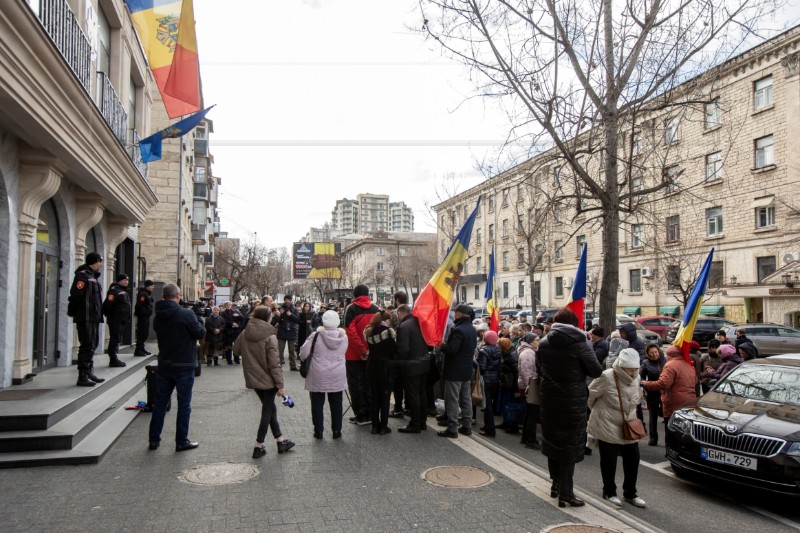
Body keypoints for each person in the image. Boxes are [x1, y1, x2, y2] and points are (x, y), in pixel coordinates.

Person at [537, 308, 603, 508]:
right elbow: (596, 370)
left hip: (549, 398)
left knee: (552, 441)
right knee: (569, 445)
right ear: (574, 323)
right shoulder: (580, 343)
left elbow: (540, 367)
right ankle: (566, 493)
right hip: (572, 400)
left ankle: (555, 485)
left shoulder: (544, 341)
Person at [148, 284, 206, 452]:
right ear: (178, 295)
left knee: (160, 404)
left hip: (165, 363)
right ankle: (181, 441)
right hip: (184, 364)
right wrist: (199, 320)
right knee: (184, 404)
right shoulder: (186, 314)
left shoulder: (158, 315)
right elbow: (200, 333)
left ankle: (153, 440)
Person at [587, 348, 647, 508]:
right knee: (609, 460)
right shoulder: (607, 376)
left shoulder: (637, 377)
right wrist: (599, 412)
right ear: (621, 366)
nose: (633, 373)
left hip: (629, 423)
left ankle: (630, 493)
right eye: (630, 369)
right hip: (607, 422)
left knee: (633, 458)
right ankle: (609, 491)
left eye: (636, 369)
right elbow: (591, 395)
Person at [234, 306, 295, 458]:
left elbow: (236, 351)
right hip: (268, 381)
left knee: (271, 409)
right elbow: (275, 364)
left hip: (253, 378)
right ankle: (258, 446)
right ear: (267, 318)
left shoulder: (245, 332)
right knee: (267, 412)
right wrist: (280, 385)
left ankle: (280, 441)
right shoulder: (270, 336)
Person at [299, 310, 348, 439]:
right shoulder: (344, 337)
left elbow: (303, 354)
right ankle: (337, 431)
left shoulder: (315, 336)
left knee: (317, 403)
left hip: (317, 374)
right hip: (337, 374)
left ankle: (318, 431)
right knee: (337, 403)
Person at [437, 304, 477, 438]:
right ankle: (467, 426)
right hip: (466, 370)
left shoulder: (458, 330)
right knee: (466, 399)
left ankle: (452, 428)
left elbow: (452, 349)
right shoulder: (472, 329)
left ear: (459, 314)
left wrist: (442, 346)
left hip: (455, 371)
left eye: (455, 313)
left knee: (452, 399)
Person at [68, 252, 106, 386]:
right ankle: (82, 376)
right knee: (87, 345)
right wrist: (72, 311)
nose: (101, 265)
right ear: (94, 262)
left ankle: (89, 372)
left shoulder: (92, 276)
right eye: (100, 262)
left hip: (93, 316)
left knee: (93, 344)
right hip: (86, 316)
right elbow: (75, 296)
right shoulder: (82, 276)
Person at [343, 284, 379, 425]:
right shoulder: (375, 309)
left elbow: (350, 332)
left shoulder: (351, 309)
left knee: (356, 385)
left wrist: (361, 350)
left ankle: (361, 414)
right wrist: (368, 350)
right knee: (369, 384)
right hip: (371, 354)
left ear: (355, 295)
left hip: (354, 355)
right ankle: (371, 413)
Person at [641, 346, 697, 435]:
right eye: (652, 352)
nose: (666, 357)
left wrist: (646, 384)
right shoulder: (688, 364)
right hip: (688, 401)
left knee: (672, 430)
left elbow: (663, 384)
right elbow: (695, 381)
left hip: (673, 401)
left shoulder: (670, 365)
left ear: (671, 355)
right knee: (683, 429)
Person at [395, 305, 430, 433]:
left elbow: (403, 350)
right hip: (424, 364)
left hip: (411, 366)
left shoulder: (403, 327)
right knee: (422, 393)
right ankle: (422, 422)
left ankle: (415, 424)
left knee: (414, 394)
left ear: (399, 314)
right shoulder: (419, 323)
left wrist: (400, 365)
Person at [364, 310, 396, 435]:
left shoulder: (369, 331)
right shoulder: (387, 332)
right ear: (386, 320)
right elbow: (393, 350)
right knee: (385, 397)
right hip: (385, 368)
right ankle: (383, 427)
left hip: (372, 366)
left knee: (374, 397)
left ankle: (374, 426)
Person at [517, 332, 541, 449]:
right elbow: (526, 372)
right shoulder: (528, 353)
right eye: (537, 339)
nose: (538, 341)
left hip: (529, 385)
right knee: (532, 414)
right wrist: (528, 387)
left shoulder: (529, 352)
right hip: (530, 386)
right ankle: (530, 440)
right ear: (531, 342)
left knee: (529, 414)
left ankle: (525, 437)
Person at [102, 273, 131, 368]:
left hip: (122, 319)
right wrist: (112, 315)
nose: (126, 281)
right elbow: (107, 305)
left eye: (127, 280)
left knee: (117, 339)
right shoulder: (114, 291)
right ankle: (113, 359)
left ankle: (115, 357)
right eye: (124, 280)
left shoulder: (123, 291)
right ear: (119, 281)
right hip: (115, 320)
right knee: (114, 339)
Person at [476, 330, 501, 437]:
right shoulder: (498, 349)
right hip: (495, 380)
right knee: (489, 403)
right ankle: (487, 426)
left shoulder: (483, 351)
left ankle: (490, 429)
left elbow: (482, 367)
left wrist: (474, 362)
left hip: (486, 380)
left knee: (487, 405)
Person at [639, 343, 665, 446]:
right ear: (648, 354)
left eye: (656, 352)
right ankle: (653, 437)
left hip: (665, 391)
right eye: (652, 353)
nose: (654, 355)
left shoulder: (664, 360)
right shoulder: (645, 363)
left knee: (667, 417)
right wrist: (646, 387)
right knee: (653, 417)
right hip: (652, 392)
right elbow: (640, 378)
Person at [389, 291, 409, 417]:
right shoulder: (411, 311)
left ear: (396, 300)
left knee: (397, 383)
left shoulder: (393, 313)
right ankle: (408, 406)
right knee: (407, 382)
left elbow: (391, 331)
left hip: (397, 351)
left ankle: (398, 408)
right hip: (410, 352)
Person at [496, 337, 520, 433]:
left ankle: (510, 424)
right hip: (506, 382)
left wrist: (516, 388)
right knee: (504, 403)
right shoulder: (507, 353)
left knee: (508, 404)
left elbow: (516, 372)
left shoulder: (511, 355)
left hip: (509, 383)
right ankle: (506, 422)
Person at [276, 295, 300, 370]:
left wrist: (291, 315)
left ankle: (292, 366)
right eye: (286, 300)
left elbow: (297, 320)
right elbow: (277, 320)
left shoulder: (294, 309)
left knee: (291, 351)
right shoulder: (280, 308)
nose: (287, 301)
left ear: (291, 300)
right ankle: (278, 366)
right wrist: (280, 314)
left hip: (291, 331)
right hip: (282, 331)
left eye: (288, 300)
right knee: (280, 350)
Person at [133, 280, 155, 357]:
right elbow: (139, 304)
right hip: (142, 316)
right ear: (147, 286)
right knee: (141, 333)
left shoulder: (147, 294)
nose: (153, 287)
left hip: (146, 316)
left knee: (145, 333)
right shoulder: (142, 294)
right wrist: (138, 313)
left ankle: (142, 348)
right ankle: (138, 350)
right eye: (151, 286)